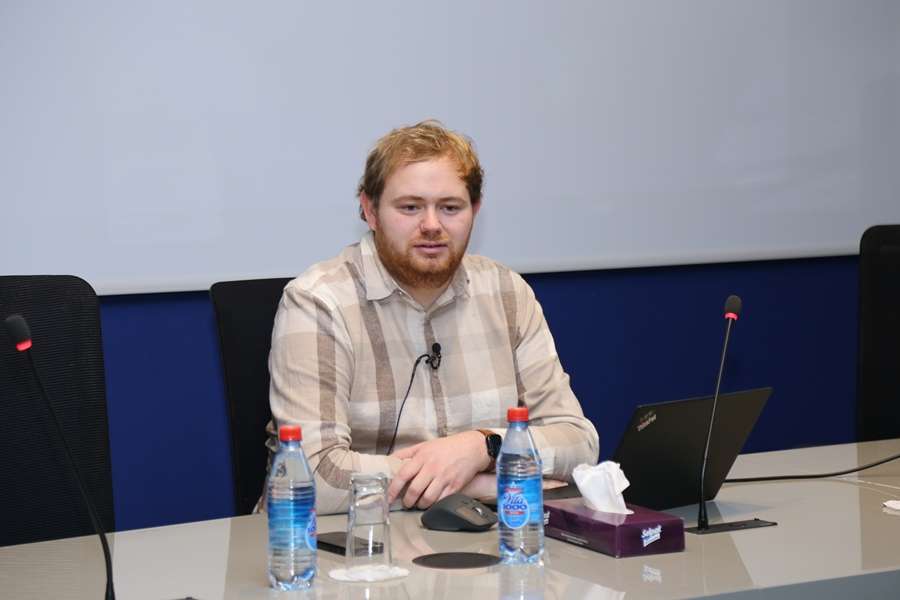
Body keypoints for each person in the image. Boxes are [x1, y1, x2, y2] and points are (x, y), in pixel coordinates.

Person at [267, 120, 598, 514]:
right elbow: (312, 477)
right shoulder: (318, 302)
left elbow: (579, 443)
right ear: (370, 210)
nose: (431, 225)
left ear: (475, 210)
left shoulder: (507, 293)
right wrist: (474, 485)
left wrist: (484, 446)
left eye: (450, 207)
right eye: (410, 207)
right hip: (350, 540)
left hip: (484, 537)